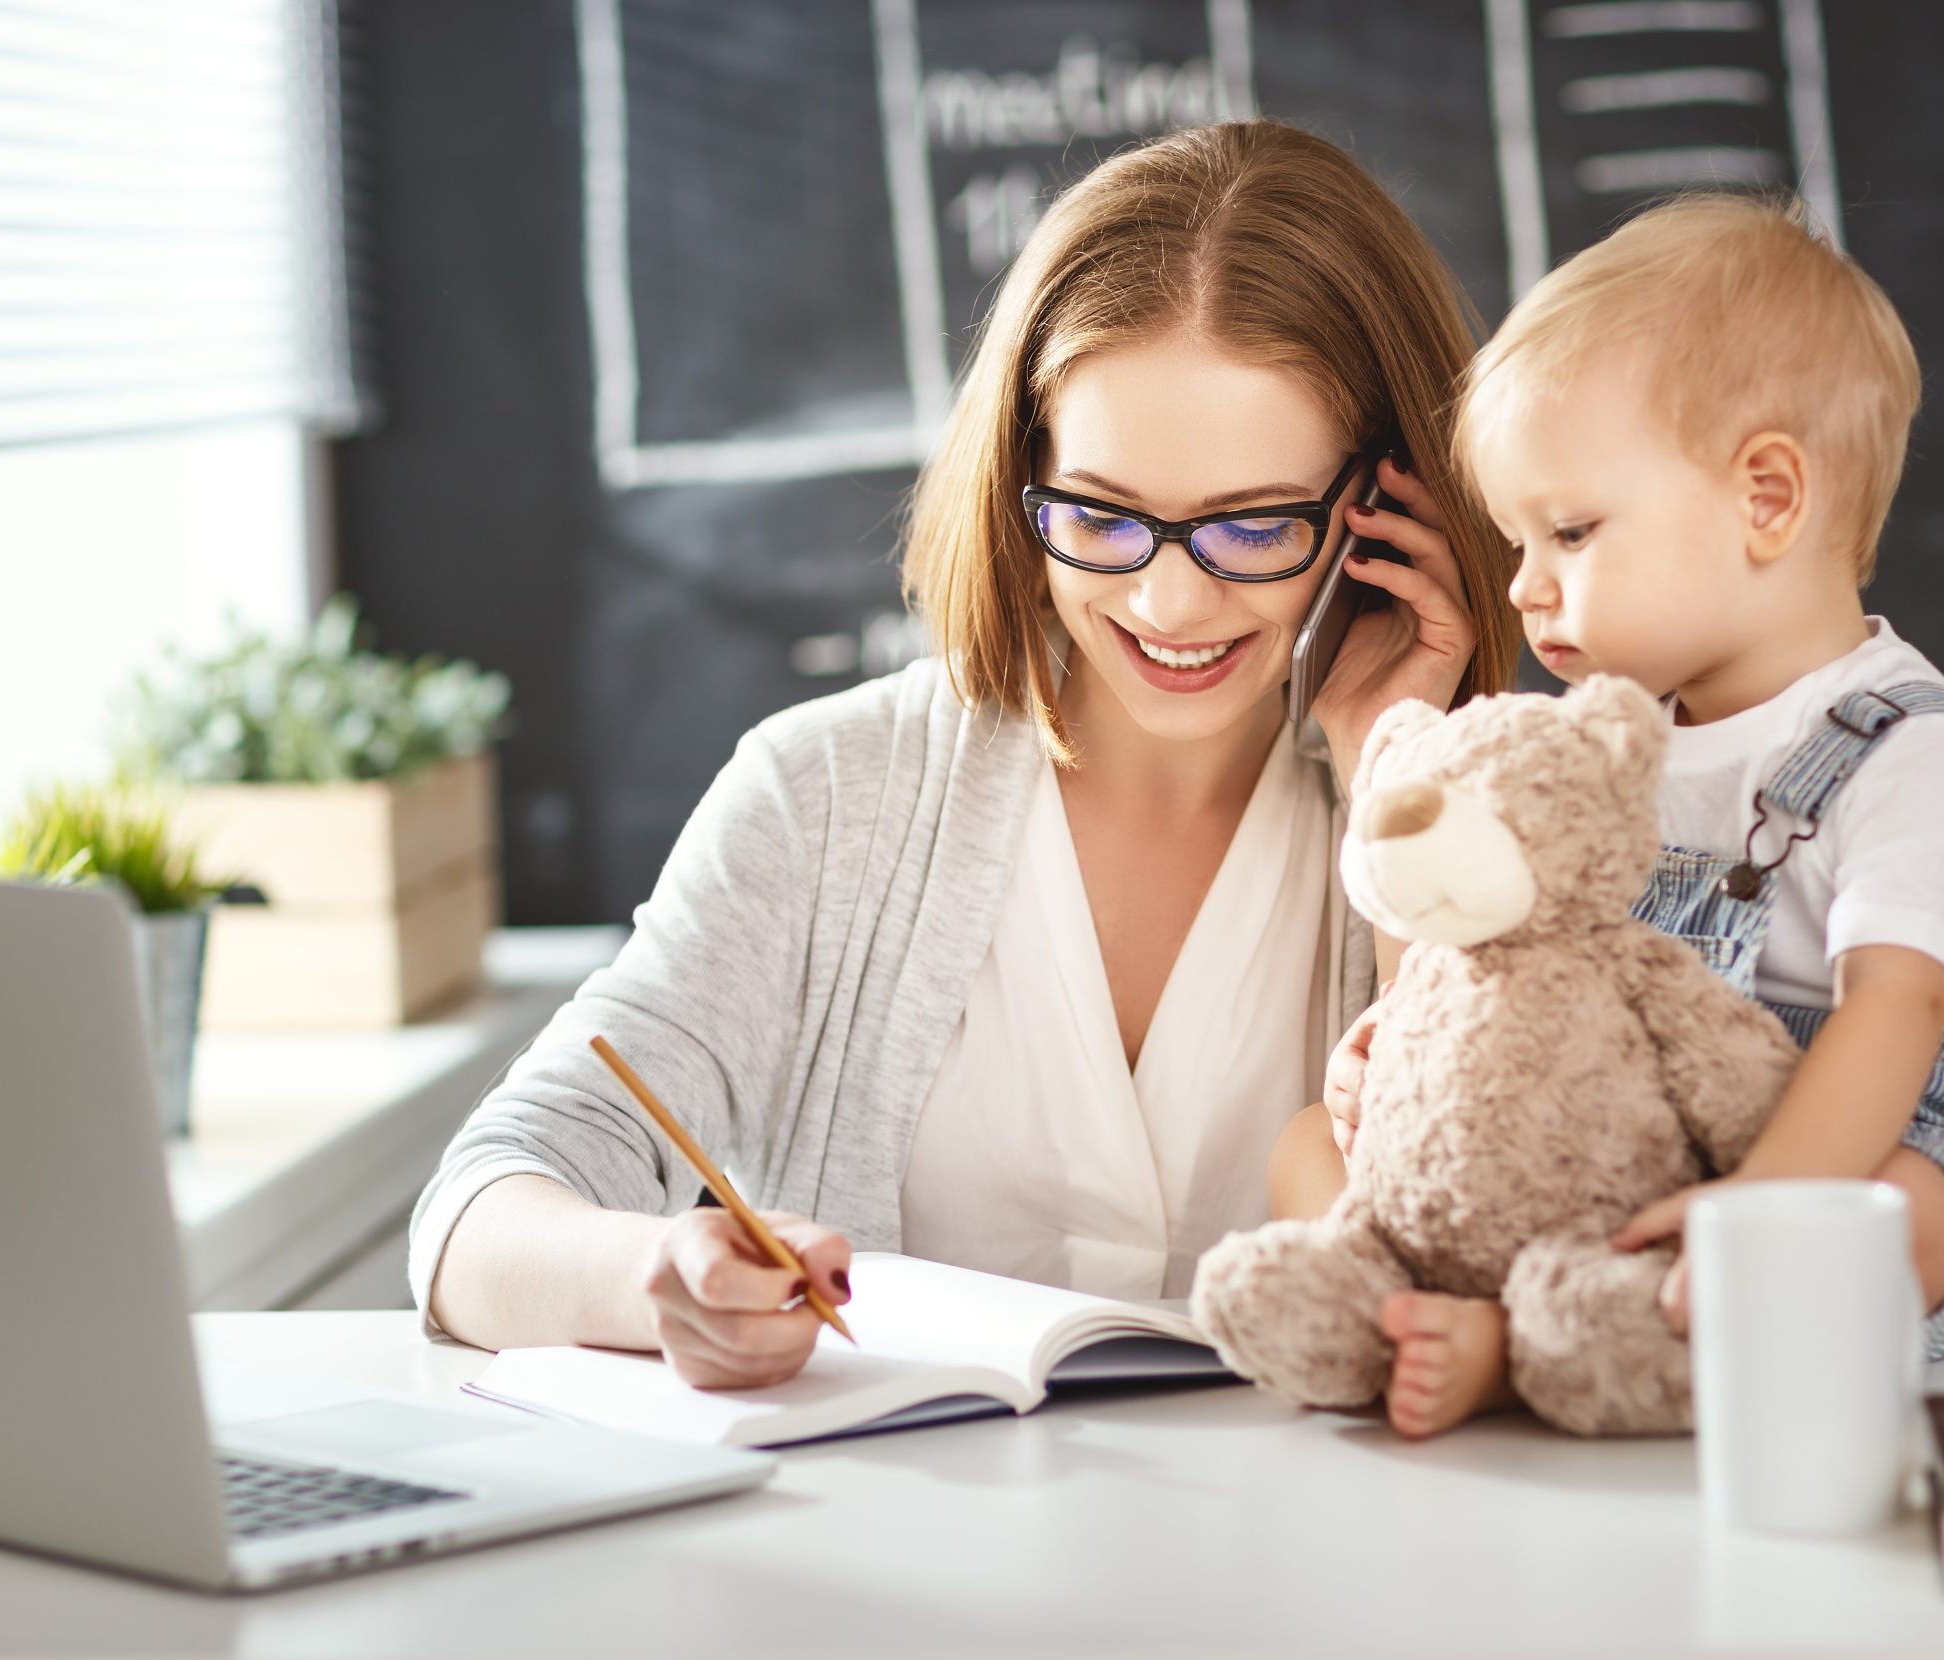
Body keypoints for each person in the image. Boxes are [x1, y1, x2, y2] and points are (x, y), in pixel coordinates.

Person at [409, 119, 1523, 1386]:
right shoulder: (826, 795)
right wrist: (653, 1275)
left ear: (1382, 510)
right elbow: (475, 1221)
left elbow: (1490, 1256)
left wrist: (1400, 767)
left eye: (1253, 526)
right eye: (1101, 515)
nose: (1167, 606)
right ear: (1021, 479)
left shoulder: (1482, 817)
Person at [1273, 193, 1944, 1439]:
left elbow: (1893, 1015)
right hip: (1610, 1149)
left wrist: (1760, 1207)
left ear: (1767, 498)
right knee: (1301, 1143)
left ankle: (1519, 1349)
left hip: (1826, 1166)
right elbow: (1498, 949)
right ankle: (1407, 1300)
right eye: (1515, 540)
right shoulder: (1604, 748)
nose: (1523, 585)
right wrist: (1407, 1052)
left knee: (1907, 1212)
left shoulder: (1922, 763)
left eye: (1569, 531)